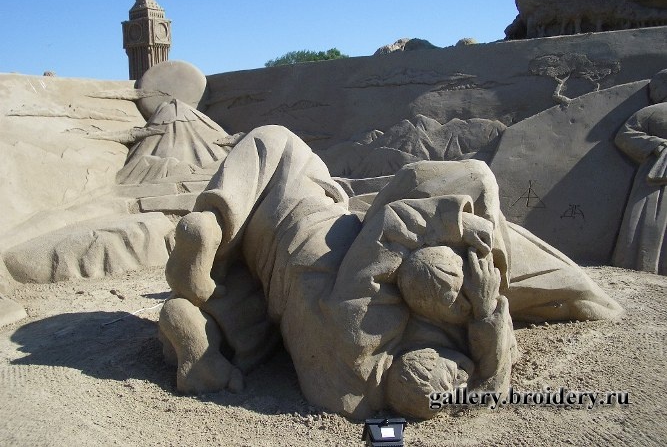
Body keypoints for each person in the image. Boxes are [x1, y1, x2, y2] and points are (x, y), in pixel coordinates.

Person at [159, 125, 622, 419]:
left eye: (454, 367)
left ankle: (214, 221)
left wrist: (455, 225)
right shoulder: (345, 400)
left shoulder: (368, 328)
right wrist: (484, 317)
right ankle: (209, 339)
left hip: (303, 236)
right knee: (248, 324)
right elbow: (486, 387)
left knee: (273, 142)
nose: (462, 366)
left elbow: (389, 227)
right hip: (279, 298)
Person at [613, 69, 667, 274]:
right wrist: (656, 144)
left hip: (652, 179)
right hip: (655, 175)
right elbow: (624, 135)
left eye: (655, 87)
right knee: (648, 216)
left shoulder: (650, 112)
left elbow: (625, 134)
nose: (652, 92)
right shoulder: (650, 112)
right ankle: (641, 263)